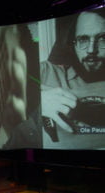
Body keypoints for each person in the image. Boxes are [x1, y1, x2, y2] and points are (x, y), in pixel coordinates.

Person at [40, 9, 105, 149]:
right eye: (83, 39)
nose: (91, 50)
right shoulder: (44, 72)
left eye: (103, 38)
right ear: (73, 43)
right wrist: (35, 101)